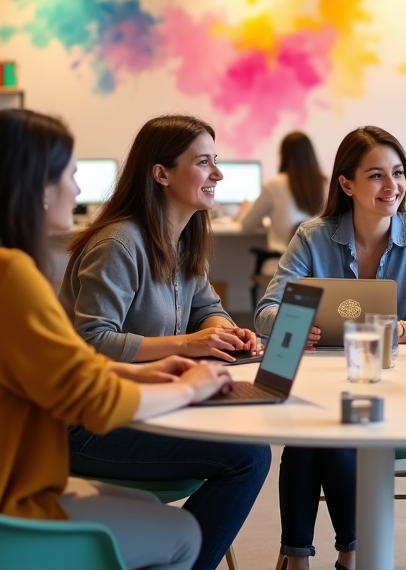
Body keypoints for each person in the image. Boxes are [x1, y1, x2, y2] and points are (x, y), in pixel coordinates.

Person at [0, 109, 236, 570]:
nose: (77, 190)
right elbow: (95, 401)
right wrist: (189, 386)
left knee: (148, 512)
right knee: (182, 534)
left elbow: (52, 362)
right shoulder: (8, 276)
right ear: (37, 184)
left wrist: (146, 369)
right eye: (70, 174)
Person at [59, 114, 271, 570]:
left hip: (145, 401)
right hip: (86, 423)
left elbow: (205, 306)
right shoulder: (120, 243)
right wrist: (188, 344)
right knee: (248, 458)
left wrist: (223, 330)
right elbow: (91, 343)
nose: (217, 174)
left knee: (245, 431)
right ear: (161, 173)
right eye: (203, 163)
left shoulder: (183, 238)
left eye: (217, 161)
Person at [255, 125, 406, 570]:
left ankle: (332, 555)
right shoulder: (313, 236)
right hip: (324, 381)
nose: (392, 186)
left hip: (396, 388)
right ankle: (324, 557)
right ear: (346, 183)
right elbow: (267, 310)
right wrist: (295, 324)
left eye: (398, 173)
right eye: (376, 175)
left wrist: (399, 330)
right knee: (315, 431)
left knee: (327, 430)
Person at [240, 131, 327, 273]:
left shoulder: (273, 184)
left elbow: (247, 226)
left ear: (283, 155)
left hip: (282, 265)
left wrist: (269, 225)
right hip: (318, 268)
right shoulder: (325, 184)